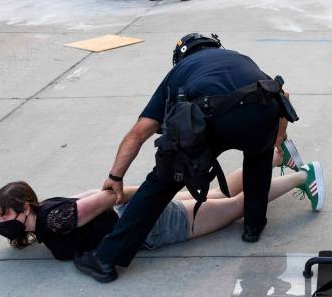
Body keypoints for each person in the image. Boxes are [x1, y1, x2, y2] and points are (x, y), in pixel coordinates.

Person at [72, 34, 302, 282]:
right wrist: (278, 136)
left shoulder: (179, 72)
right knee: (258, 157)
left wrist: (115, 176)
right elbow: (282, 96)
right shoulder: (238, 57)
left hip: (207, 120)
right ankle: (253, 227)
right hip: (262, 109)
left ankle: (105, 259)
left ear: (180, 57)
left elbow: (139, 133)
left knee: (160, 184)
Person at [0, 150, 322, 263]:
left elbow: (107, 196)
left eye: (3, 215)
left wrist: (151, 194)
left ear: (23, 206)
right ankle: (279, 157)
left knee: (236, 207)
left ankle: (303, 176)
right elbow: (94, 195)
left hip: (154, 223)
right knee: (221, 195)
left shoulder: (54, 220)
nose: (0, 222)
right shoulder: (48, 213)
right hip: (145, 213)